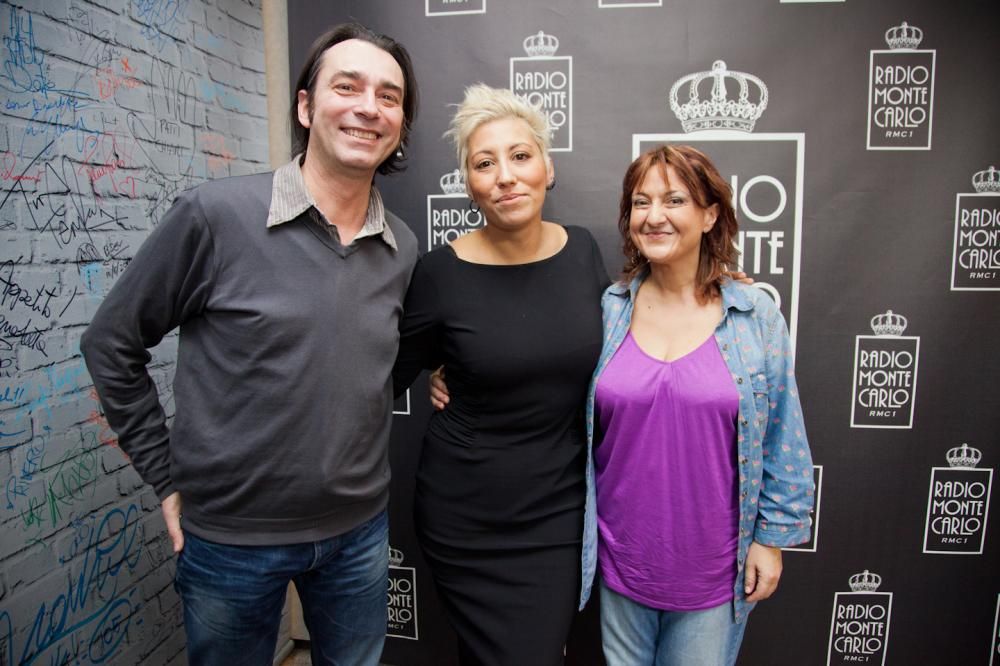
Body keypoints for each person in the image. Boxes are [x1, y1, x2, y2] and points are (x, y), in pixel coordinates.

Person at [80, 23, 419, 666]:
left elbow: (383, 365)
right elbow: (112, 343)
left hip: (359, 536)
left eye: (388, 96)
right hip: (230, 543)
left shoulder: (402, 247)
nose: (369, 107)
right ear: (305, 106)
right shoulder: (215, 216)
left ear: (400, 123)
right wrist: (165, 478)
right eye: (347, 87)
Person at [392, 84, 609, 665]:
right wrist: (443, 368)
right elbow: (382, 378)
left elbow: (632, 339)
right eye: (484, 163)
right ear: (468, 183)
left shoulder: (584, 251)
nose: (505, 176)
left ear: (547, 167)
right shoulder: (439, 273)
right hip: (465, 515)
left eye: (520, 155)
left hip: (557, 511)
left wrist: (716, 288)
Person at [585, 145, 814, 665]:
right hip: (620, 562)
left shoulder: (753, 315)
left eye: (674, 200)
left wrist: (772, 540)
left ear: (710, 216)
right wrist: (453, 376)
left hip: (714, 572)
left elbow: (784, 434)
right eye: (641, 202)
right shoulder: (607, 311)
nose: (654, 216)